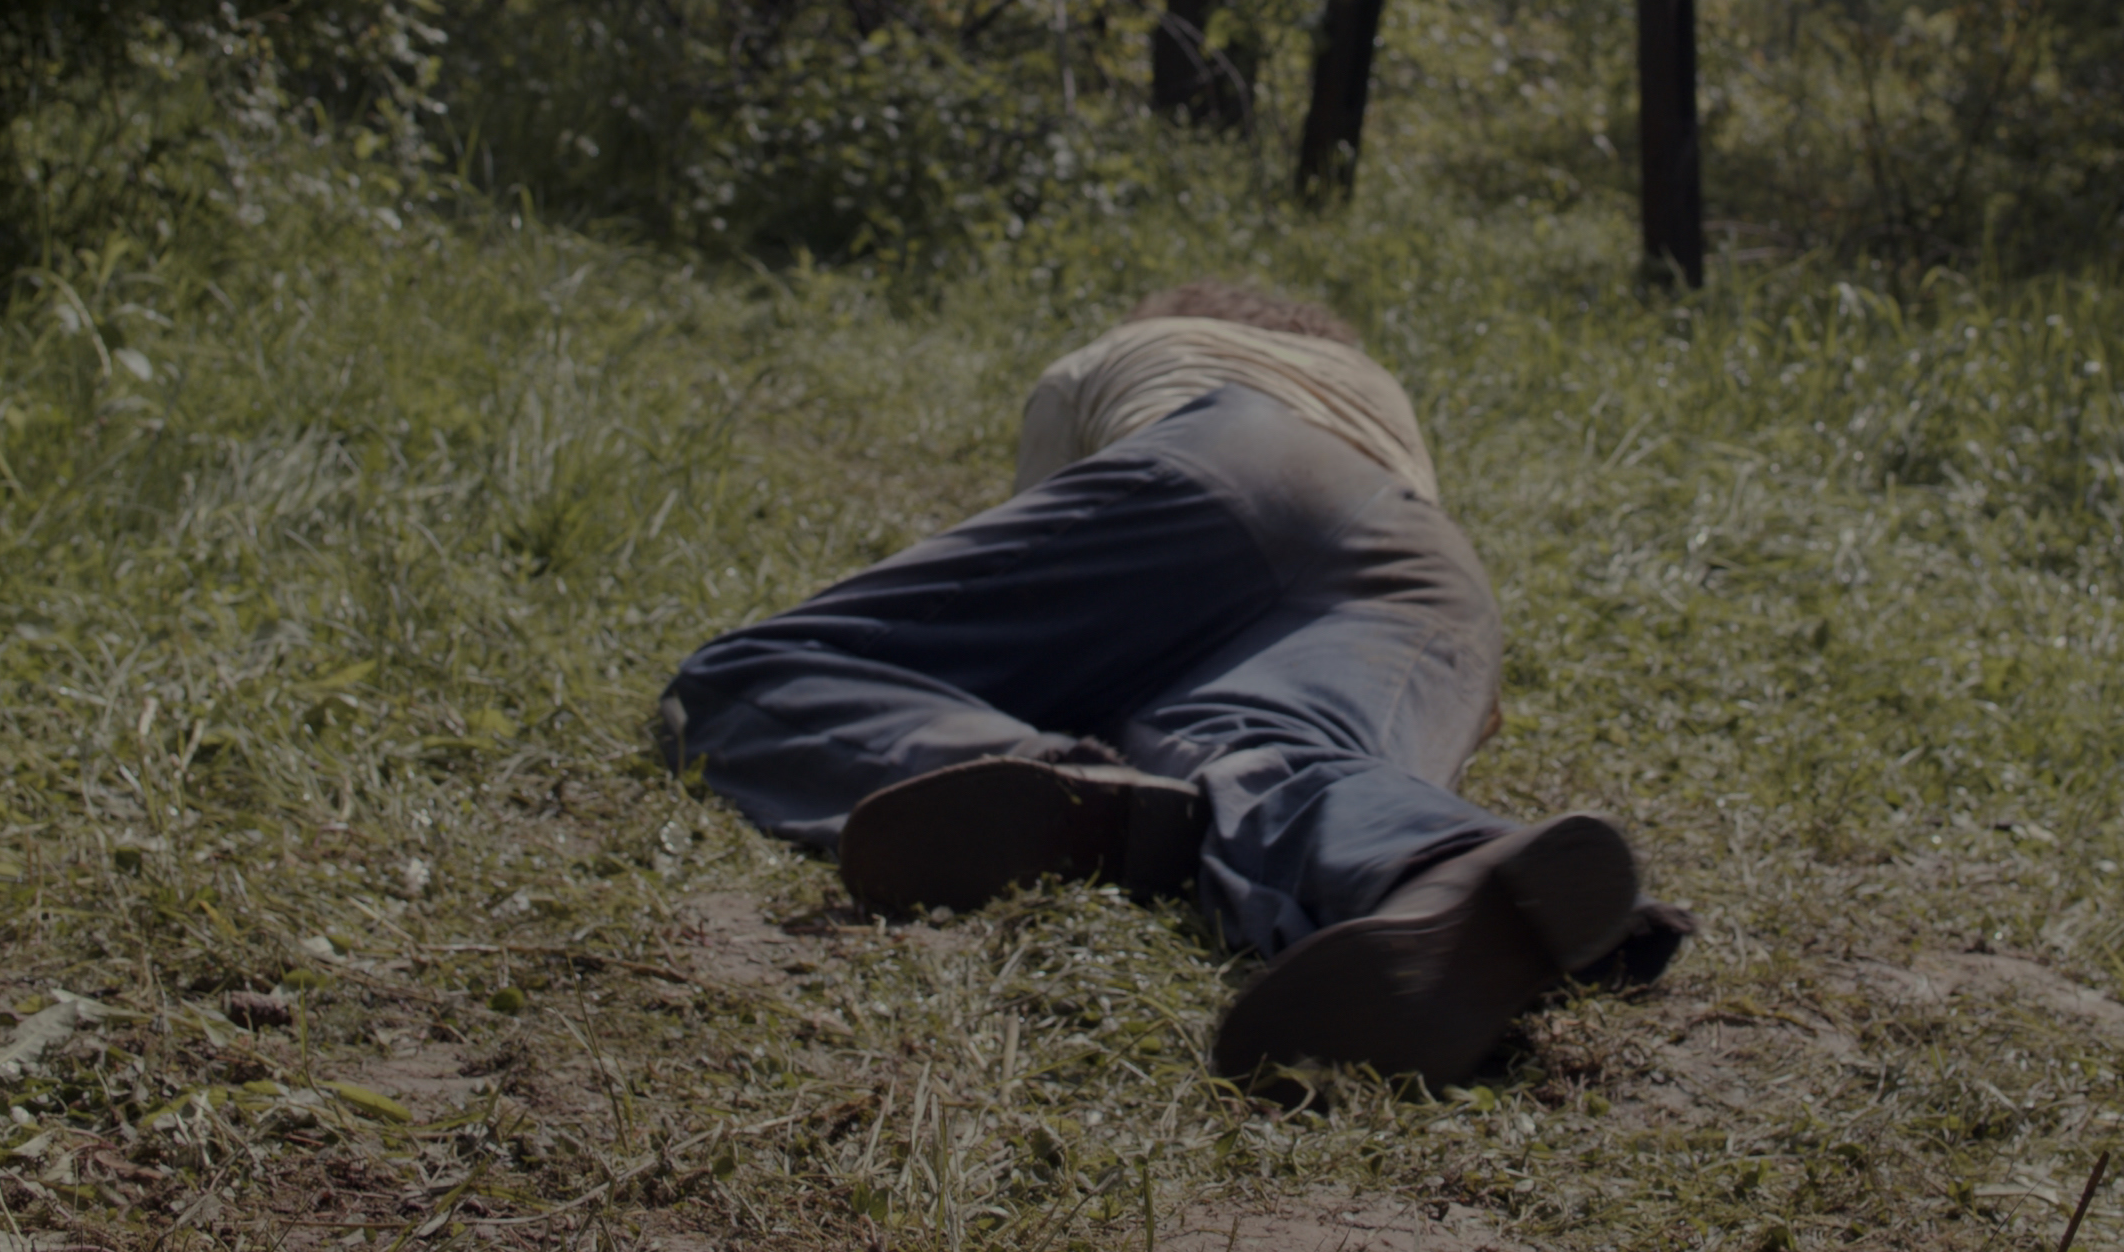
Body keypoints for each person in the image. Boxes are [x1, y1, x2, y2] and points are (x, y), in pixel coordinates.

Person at [656, 282, 1684, 1087]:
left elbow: (1065, 625)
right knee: (1266, 755)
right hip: (1433, 576)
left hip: (1228, 461)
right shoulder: (1375, 392)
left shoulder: (1134, 351)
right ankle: (1446, 862)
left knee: (748, 675)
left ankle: (1070, 785)